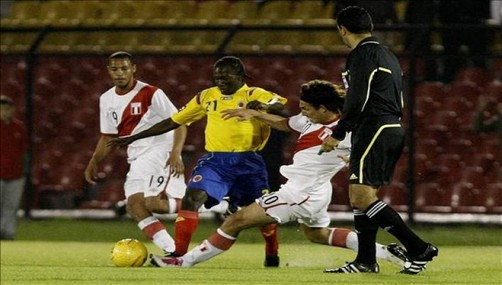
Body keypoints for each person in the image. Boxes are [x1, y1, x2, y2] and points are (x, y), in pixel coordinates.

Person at [148, 80, 408, 268]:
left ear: (325, 109)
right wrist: (256, 114)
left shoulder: (345, 132)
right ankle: (385, 252)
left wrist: (352, 159)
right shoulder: (309, 121)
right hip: (316, 192)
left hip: (299, 194)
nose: (302, 111)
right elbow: (285, 123)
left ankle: (183, 262)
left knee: (235, 221)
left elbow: (370, 153)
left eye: (307, 107)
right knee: (315, 234)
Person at [107, 56, 287, 267]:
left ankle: (272, 252)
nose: (220, 82)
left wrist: (261, 106)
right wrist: (135, 136)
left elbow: (278, 102)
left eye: (225, 77)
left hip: (248, 163)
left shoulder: (253, 94)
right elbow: (174, 121)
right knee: (192, 198)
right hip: (215, 161)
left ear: (239, 75)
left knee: (262, 215)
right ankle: (178, 255)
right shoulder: (206, 97)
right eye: (217, 78)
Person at [320, 6, 438, 274]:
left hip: (375, 126)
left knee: (360, 195)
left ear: (342, 29)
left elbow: (357, 98)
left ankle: (419, 248)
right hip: (389, 126)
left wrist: (338, 133)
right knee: (365, 195)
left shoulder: (362, 54)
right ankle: (365, 261)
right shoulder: (387, 54)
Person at [84, 51, 188, 254]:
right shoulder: (106, 99)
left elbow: (180, 122)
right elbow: (108, 136)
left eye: (124, 68)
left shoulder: (150, 93)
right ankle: (173, 251)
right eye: (114, 69)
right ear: (108, 71)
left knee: (155, 204)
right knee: (134, 206)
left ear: (134, 69)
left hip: (160, 151)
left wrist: (175, 153)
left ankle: (212, 205)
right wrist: (94, 161)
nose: (119, 73)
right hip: (137, 156)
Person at [0, 95, 27, 240]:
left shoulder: (19, 127)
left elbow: (24, 151)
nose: (4, 111)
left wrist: (24, 170)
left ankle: (8, 234)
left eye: (7, 108)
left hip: (16, 174)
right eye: (2, 108)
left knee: (11, 207)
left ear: (12, 110)